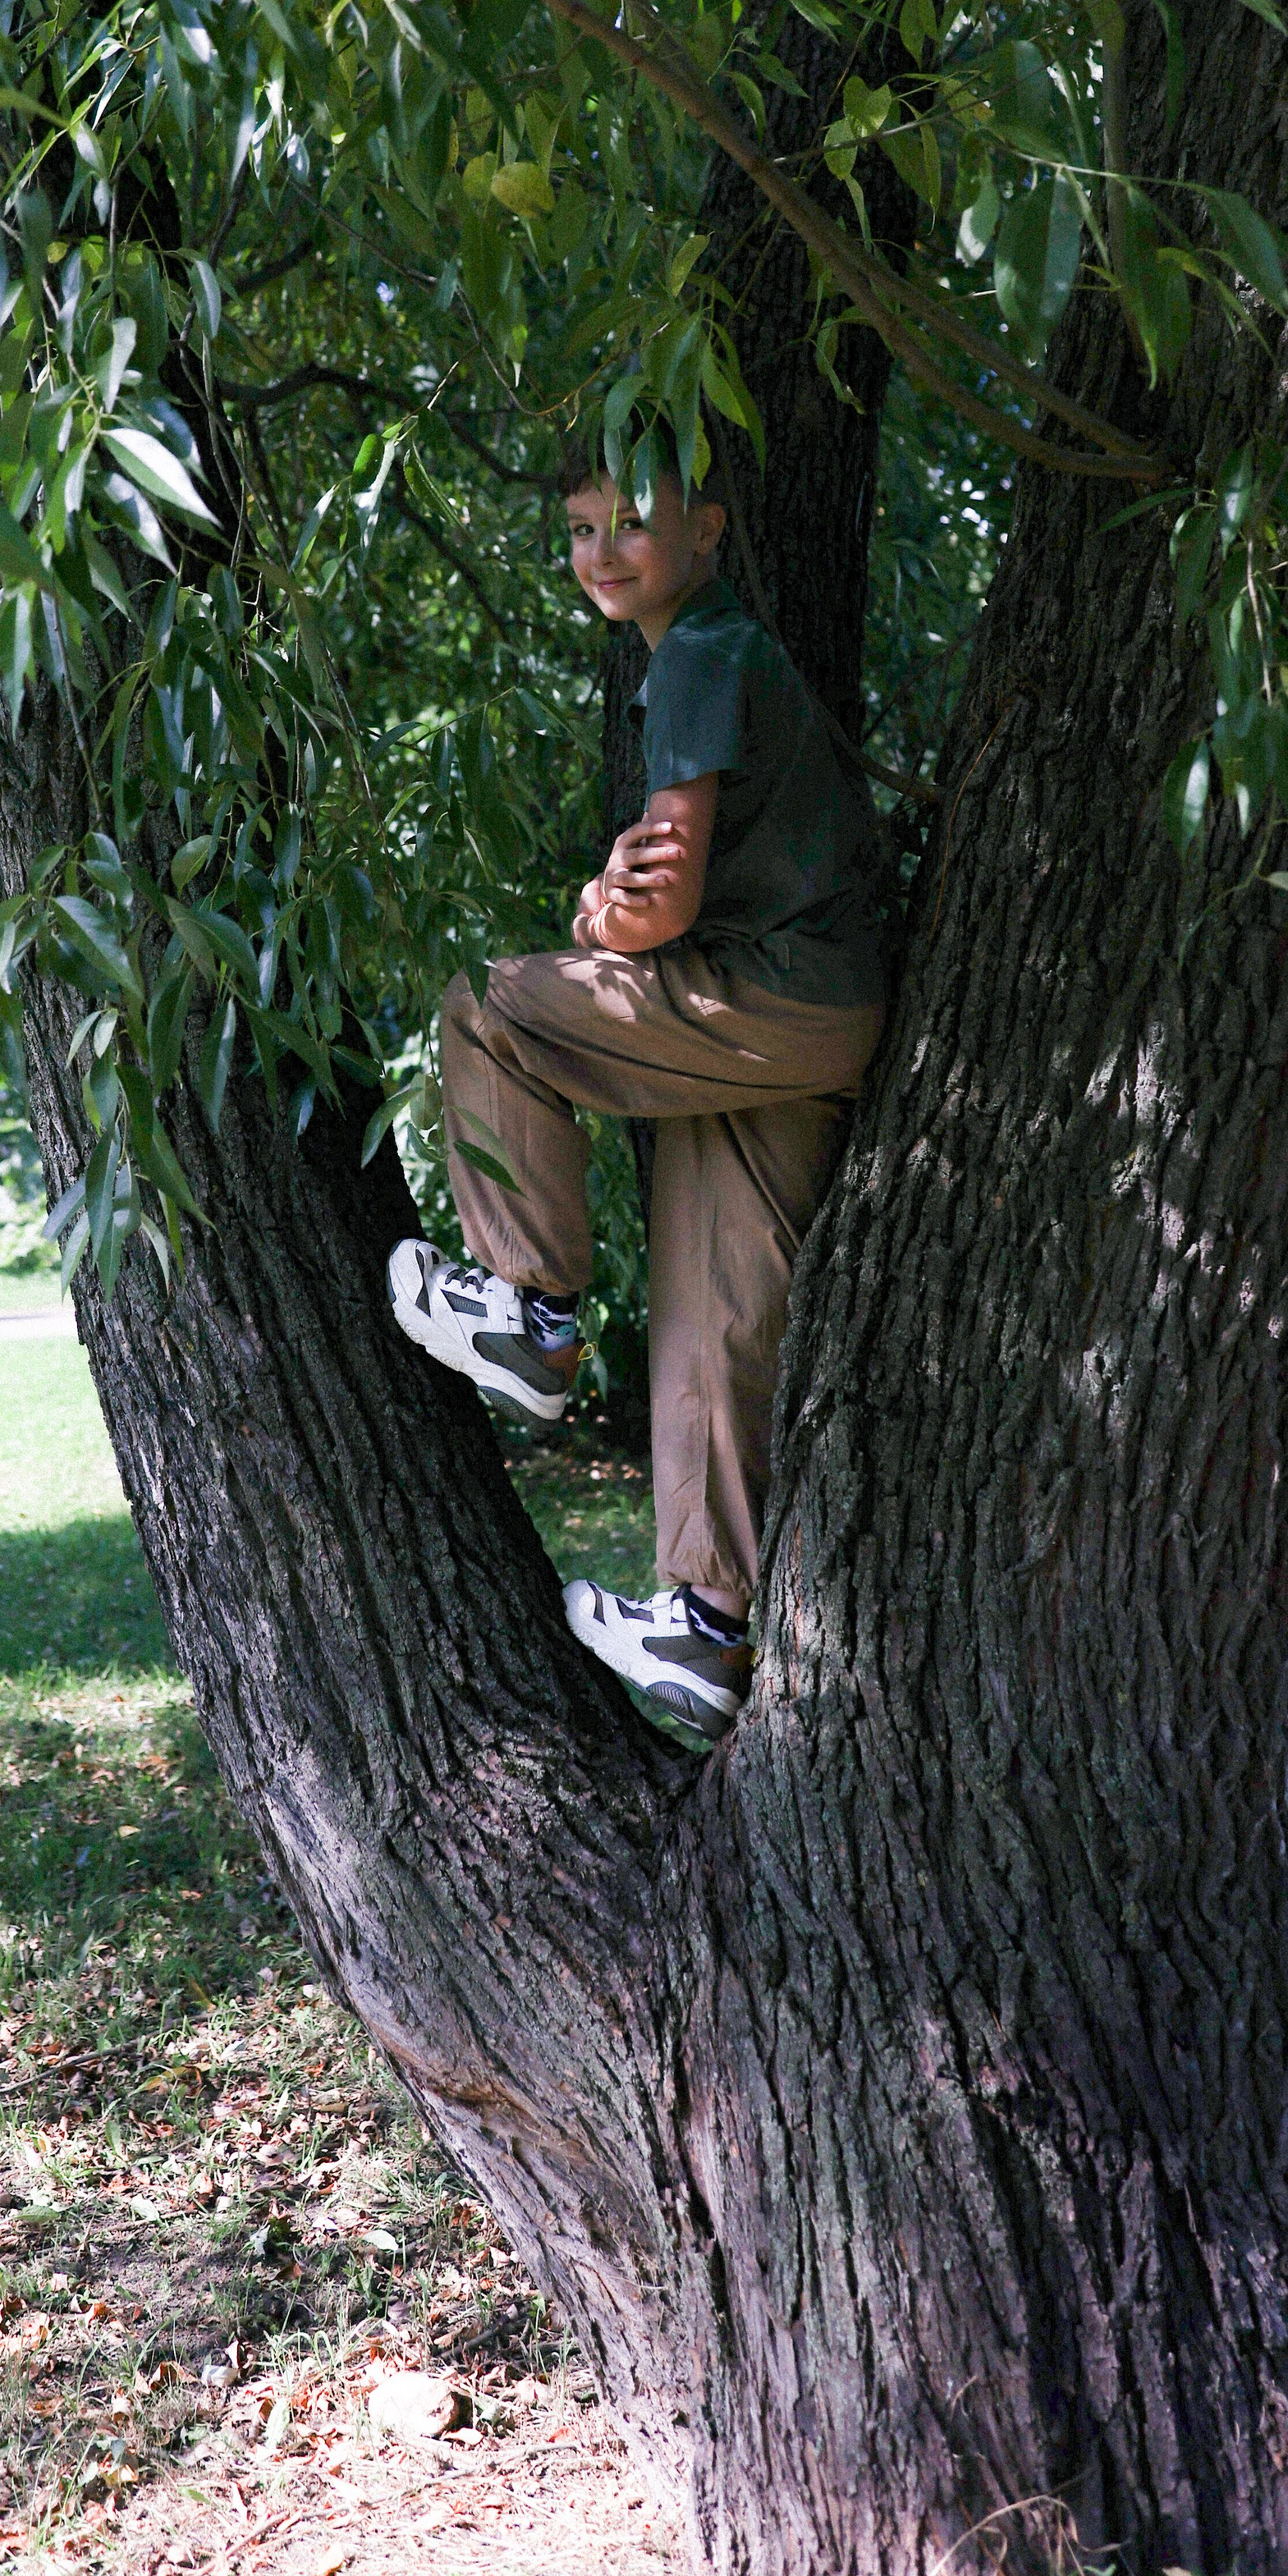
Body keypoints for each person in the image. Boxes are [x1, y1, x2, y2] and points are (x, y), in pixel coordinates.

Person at [386, 458, 886, 1739]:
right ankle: (704, 1629)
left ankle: (528, 1311)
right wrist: (621, 901)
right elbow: (669, 884)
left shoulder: (703, 653)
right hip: (815, 1018)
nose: (602, 552)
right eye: (579, 529)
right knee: (720, 1307)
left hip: (763, 995)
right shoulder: (717, 650)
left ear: (707, 529)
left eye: (631, 524)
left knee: (489, 1010)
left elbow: (657, 903)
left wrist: (603, 916)